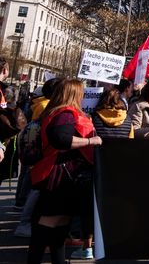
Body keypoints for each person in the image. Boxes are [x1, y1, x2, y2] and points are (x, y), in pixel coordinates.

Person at [27, 78, 101, 264]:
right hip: (59, 177)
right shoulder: (65, 113)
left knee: (57, 233)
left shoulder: (54, 112)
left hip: (56, 174)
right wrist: (91, 141)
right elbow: (61, 138)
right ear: (74, 94)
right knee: (47, 228)